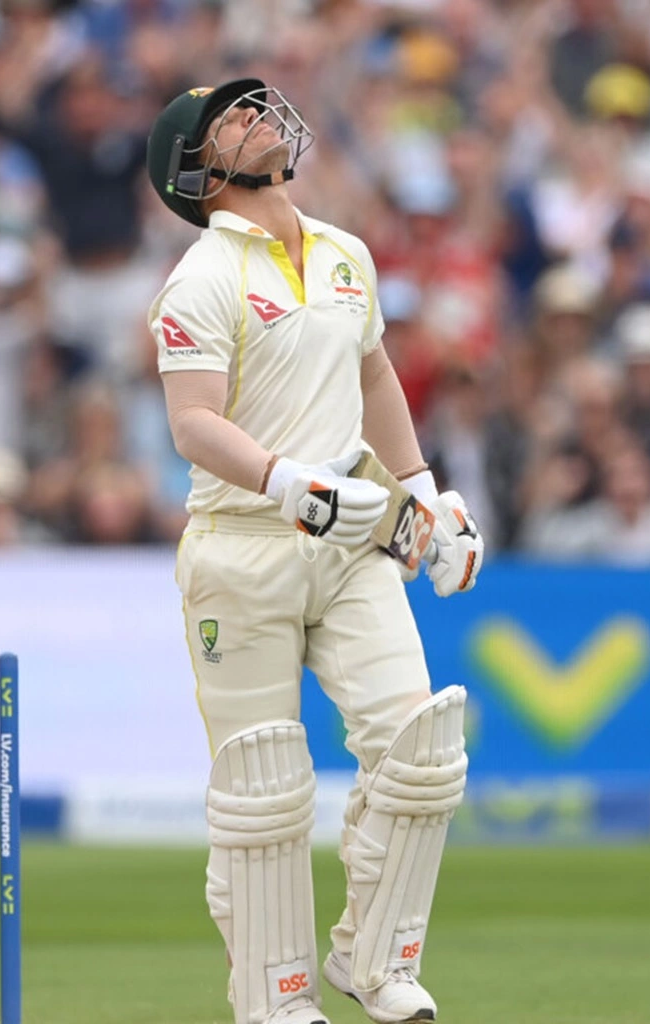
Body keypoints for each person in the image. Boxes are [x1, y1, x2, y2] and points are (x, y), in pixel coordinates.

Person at [144, 80, 488, 1024]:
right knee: (263, 790)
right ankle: (276, 997)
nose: (261, 119)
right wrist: (286, 481)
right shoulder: (202, 279)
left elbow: (373, 373)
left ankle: (373, 962)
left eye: (260, 109)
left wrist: (421, 492)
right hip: (242, 547)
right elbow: (193, 423)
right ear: (197, 168)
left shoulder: (345, 255)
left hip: (352, 545)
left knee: (421, 749)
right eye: (234, 120)